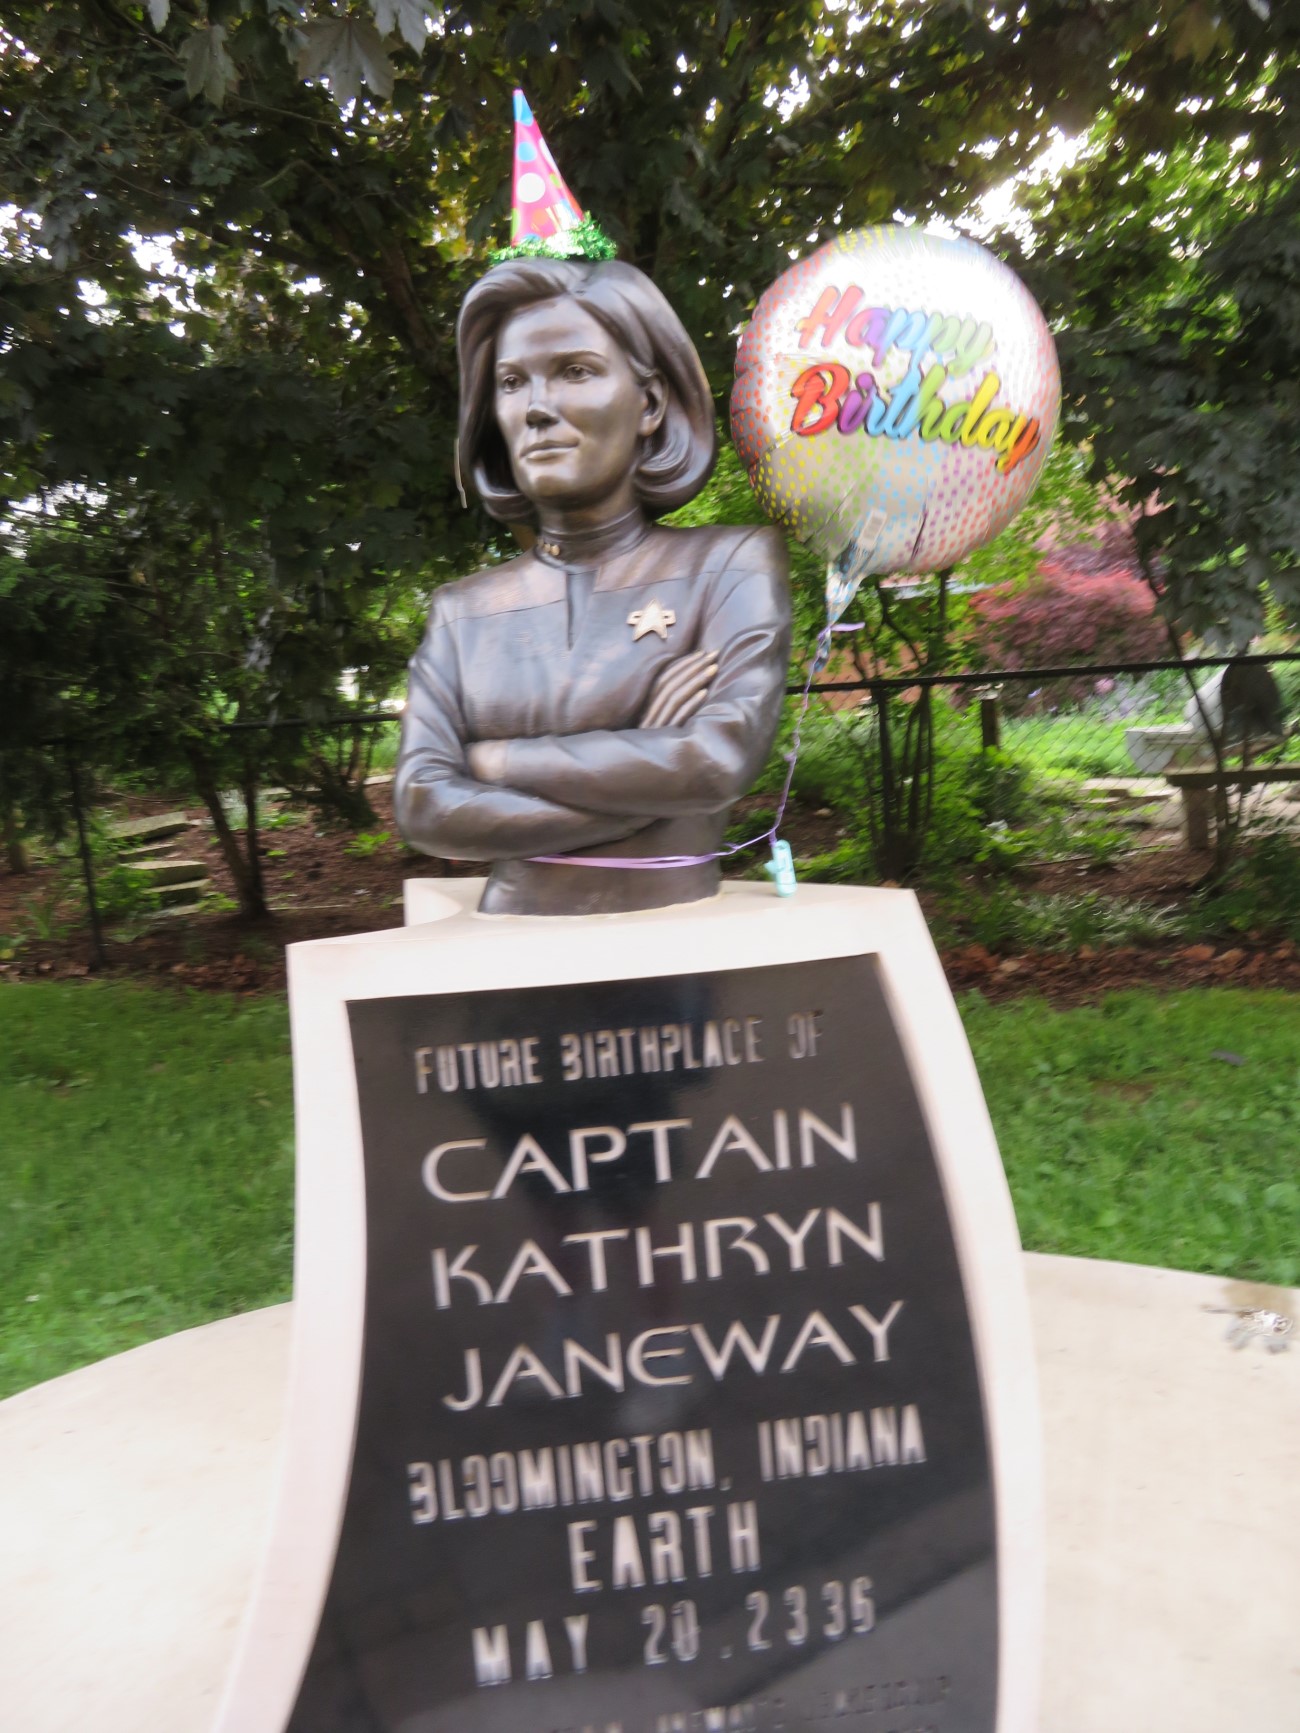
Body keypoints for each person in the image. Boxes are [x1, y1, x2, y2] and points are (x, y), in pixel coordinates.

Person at [394, 257, 791, 916]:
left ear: (650, 403)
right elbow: (423, 804)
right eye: (512, 382)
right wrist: (642, 797)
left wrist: (492, 761)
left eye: (575, 371)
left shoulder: (732, 565)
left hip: (678, 933)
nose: (537, 408)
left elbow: (716, 759)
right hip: (510, 944)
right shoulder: (461, 612)